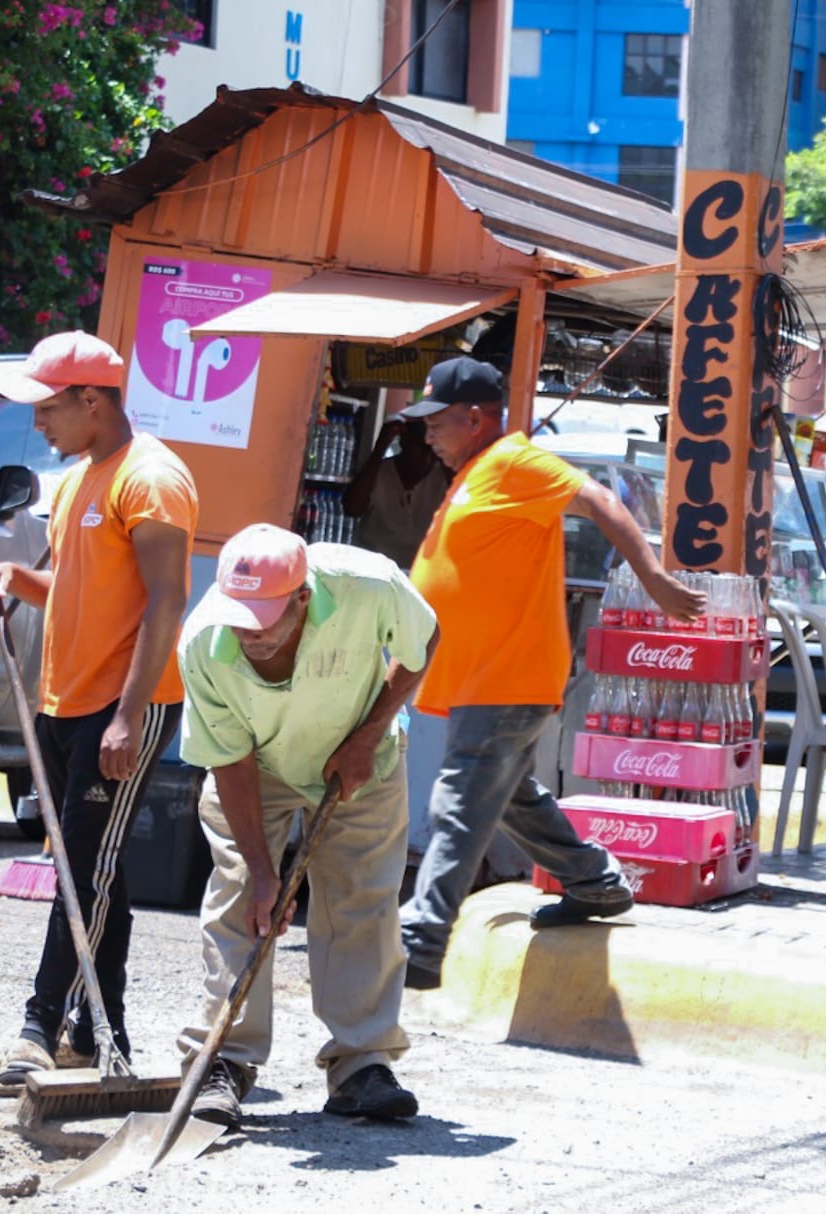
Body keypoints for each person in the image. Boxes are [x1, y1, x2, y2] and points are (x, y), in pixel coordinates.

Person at [396, 357, 706, 991]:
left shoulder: (514, 460)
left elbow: (599, 501)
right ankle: (598, 885)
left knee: (459, 803)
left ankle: (420, 942)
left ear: (475, 418)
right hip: (483, 676)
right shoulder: (477, 472)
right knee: (511, 797)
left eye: (437, 421)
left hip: (507, 676)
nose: (427, 433)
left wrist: (651, 579)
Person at [0, 331, 197, 1092]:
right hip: (65, 699)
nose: (39, 424)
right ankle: (103, 1031)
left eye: (48, 408)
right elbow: (73, 586)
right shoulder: (78, 481)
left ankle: (40, 1027)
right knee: (99, 874)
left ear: (92, 402)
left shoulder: (151, 478)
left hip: (120, 706)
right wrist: (10, 576)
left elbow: (167, 602)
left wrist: (129, 717)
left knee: (79, 872)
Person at [175, 524, 438, 1128]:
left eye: (264, 619)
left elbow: (424, 642)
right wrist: (265, 873)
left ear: (303, 597)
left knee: (361, 902)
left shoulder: (366, 584)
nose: (250, 633)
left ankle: (361, 1062)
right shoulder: (203, 643)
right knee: (242, 895)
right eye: (239, 617)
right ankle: (224, 1058)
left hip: (357, 751)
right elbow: (230, 760)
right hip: (256, 764)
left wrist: (367, 736)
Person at [343, 415, 452, 570]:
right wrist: (380, 448)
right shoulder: (378, 472)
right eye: (419, 448)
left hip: (418, 574)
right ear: (404, 443)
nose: (426, 458)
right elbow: (352, 508)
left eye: (432, 451)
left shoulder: (442, 478)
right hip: (372, 571)